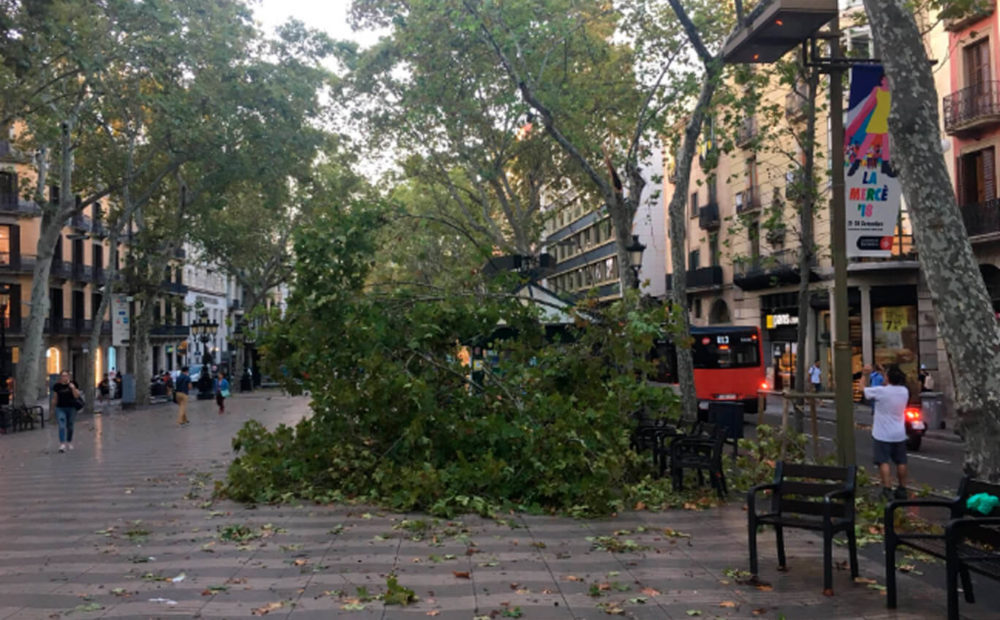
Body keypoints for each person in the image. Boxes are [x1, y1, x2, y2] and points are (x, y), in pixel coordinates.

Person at [864, 364, 910, 501]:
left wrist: (864, 374)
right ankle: (902, 488)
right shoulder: (904, 391)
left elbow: (863, 390)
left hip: (882, 434)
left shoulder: (881, 391)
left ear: (888, 378)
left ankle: (887, 489)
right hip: (899, 433)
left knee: (883, 461)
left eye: (885, 375)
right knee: (901, 462)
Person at [51, 371, 81, 453]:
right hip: (60, 408)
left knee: (70, 425)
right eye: (63, 376)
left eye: (66, 375)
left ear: (69, 376)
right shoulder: (57, 386)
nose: (64, 377)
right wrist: (52, 409)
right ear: (60, 377)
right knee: (61, 425)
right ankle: (62, 444)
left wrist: (73, 388)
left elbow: (76, 396)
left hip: (71, 408)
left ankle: (69, 441)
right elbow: (55, 398)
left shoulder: (73, 384)